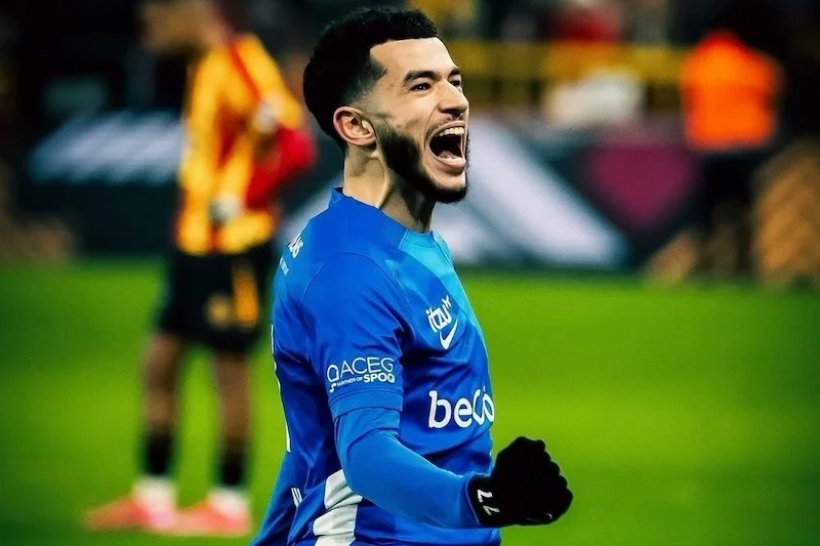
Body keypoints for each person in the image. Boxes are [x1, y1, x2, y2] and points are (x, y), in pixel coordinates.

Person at [252, 7, 572, 546]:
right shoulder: (350, 271)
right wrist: (485, 499)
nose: (455, 100)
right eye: (421, 86)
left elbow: (310, 445)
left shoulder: (404, 241)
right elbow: (366, 455)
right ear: (357, 126)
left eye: (454, 81)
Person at [84, 0, 315, 537]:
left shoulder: (241, 62)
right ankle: (153, 496)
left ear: (195, 11)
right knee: (159, 363)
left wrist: (245, 198)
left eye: (159, 16)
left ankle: (228, 504)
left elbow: (296, 145)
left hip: (233, 247)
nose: (150, 28)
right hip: (193, 247)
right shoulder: (206, 66)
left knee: (228, 371)